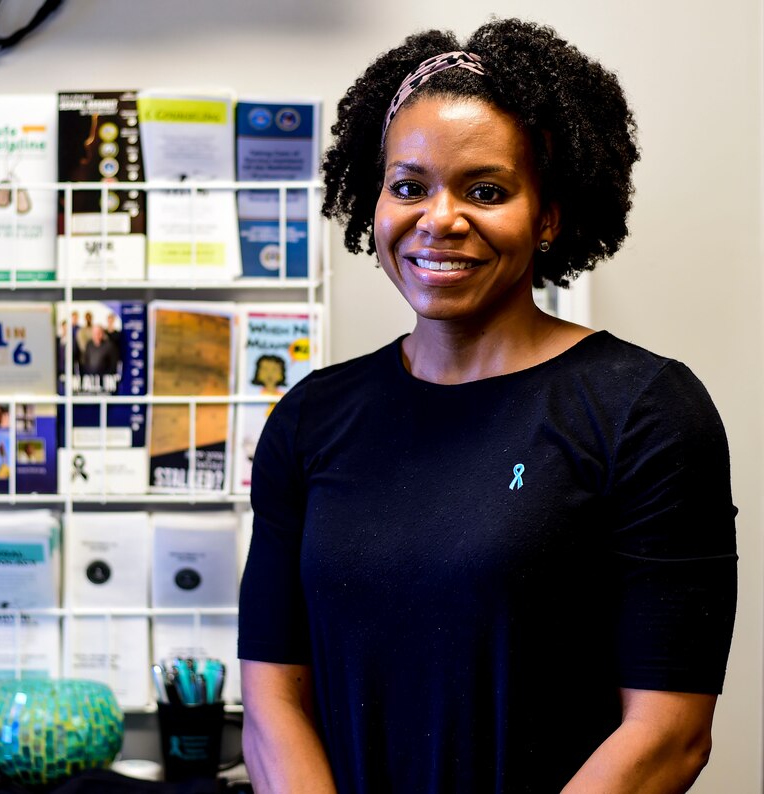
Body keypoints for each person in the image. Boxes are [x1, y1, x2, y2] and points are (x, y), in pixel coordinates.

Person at [237, 18, 738, 794]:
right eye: (409, 187)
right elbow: (273, 698)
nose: (439, 218)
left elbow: (669, 734)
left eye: (485, 190)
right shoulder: (311, 419)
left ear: (548, 215)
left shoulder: (645, 412)